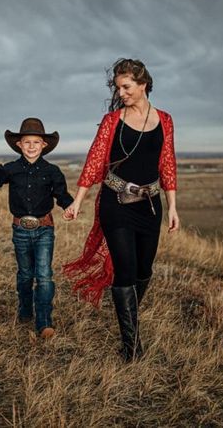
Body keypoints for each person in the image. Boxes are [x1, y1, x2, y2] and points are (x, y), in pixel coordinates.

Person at [63, 58, 179, 362]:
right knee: (125, 270)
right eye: (118, 88)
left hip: (150, 206)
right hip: (116, 204)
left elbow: (167, 164)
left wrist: (174, 207)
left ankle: (130, 319)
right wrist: (78, 200)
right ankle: (131, 347)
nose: (122, 93)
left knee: (144, 270)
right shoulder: (112, 121)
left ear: (143, 85)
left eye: (127, 87)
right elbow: (94, 159)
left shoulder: (165, 120)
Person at [0, 118, 73, 339]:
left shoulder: (52, 171)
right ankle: (25, 310)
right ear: (19, 144)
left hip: (44, 228)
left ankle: (44, 321)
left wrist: (69, 207)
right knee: (25, 274)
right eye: (27, 142)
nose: (31, 146)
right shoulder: (11, 169)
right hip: (20, 230)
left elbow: (61, 194)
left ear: (43, 145)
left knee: (44, 275)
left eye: (36, 142)